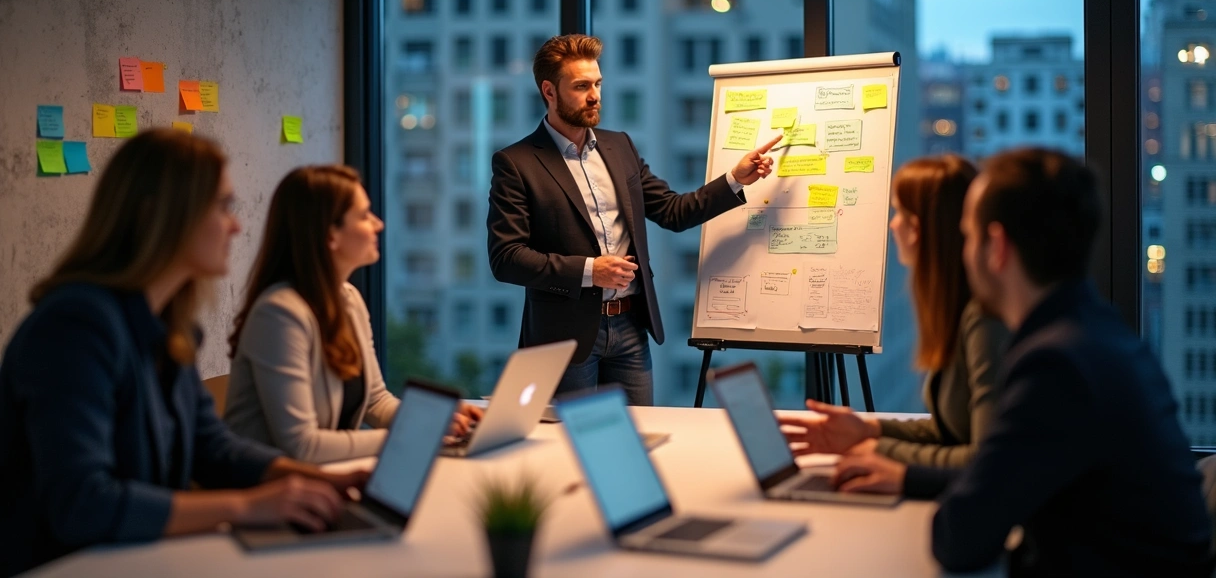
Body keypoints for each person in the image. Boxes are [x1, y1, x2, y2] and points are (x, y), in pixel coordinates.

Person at [0, 131, 366, 577]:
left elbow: (213, 449)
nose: (237, 225)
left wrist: (322, 480)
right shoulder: (75, 326)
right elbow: (83, 503)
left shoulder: (168, 328)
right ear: (163, 216)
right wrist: (249, 506)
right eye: (223, 207)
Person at [831, 148, 1213, 576]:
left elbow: (959, 538)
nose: (963, 251)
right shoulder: (1093, 333)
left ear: (995, 247)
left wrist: (898, 467)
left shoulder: (1056, 365)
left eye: (968, 235)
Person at [487, 34, 782, 405]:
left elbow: (674, 212)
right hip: (565, 337)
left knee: (639, 441)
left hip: (630, 328)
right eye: (581, 86)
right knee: (570, 450)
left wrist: (734, 179)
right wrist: (591, 270)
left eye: (597, 84)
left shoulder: (619, 146)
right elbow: (506, 258)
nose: (594, 95)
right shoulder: (517, 163)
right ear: (549, 91)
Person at [224, 165, 482, 463]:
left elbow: (376, 400)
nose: (378, 224)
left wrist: (433, 417)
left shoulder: (349, 299)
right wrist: (414, 433)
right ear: (329, 234)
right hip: (267, 495)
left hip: (317, 482)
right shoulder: (279, 313)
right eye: (364, 216)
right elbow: (301, 446)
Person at [778, 155, 1008, 469]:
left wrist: (879, 452)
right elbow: (950, 431)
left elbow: (987, 463)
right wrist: (869, 430)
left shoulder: (984, 321)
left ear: (918, 228)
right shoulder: (959, 310)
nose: (892, 223)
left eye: (899, 211)